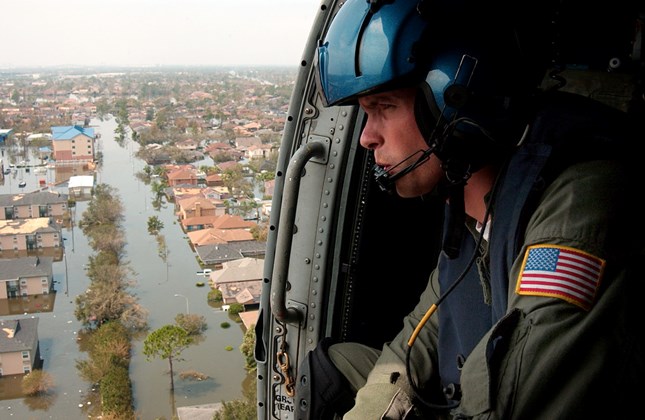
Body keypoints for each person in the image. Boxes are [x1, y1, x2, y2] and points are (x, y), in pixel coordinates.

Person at [303, 0, 645, 418]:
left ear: (454, 98)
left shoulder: (578, 199)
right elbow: (423, 332)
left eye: (385, 107)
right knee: (330, 370)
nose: (367, 138)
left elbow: (514, 399)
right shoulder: (468, 203)